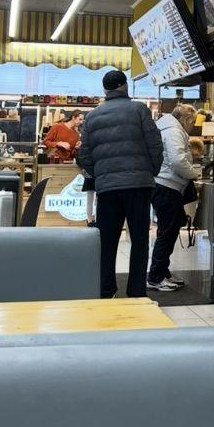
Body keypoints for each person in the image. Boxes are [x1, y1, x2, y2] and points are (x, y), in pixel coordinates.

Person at [77, 70, 162, 298]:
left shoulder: (92, 116)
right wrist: (150, 171)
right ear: (125, 86)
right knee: (139, 240)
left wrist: (100, 174)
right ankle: (136, 291)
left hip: (107, 188)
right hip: (138, 186)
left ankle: (106, 290)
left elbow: (84, 155)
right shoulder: (139, 110)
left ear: (105, 90)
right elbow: (155, 145)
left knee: (107, 241)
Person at [147, 103, 199, 291]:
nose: (192, 126)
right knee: (167, 231)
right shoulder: (174, 131)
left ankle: (162, 271)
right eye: (192, 122)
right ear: (186, 119)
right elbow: (178, 160)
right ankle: (155, 277)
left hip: (163, 184)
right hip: (168, 185)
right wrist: (193, 173)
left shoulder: (165, 127)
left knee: (170, 227)